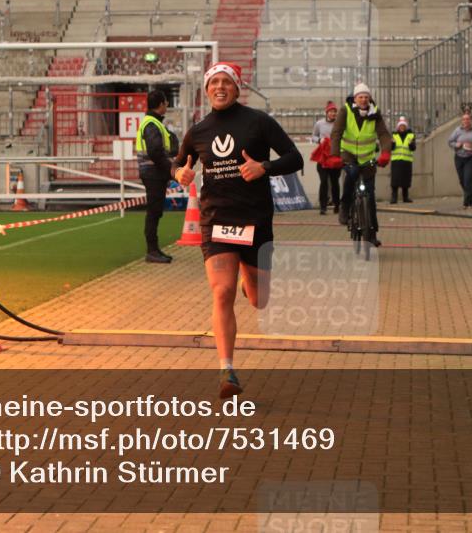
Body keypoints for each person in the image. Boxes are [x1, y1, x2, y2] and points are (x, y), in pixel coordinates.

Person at [172, 62, 302, 398]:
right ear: (206, 89)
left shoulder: (258, 121)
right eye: (213, 82)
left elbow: (294, 157)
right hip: (216, 222)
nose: (219, 87)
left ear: (237, 86)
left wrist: (264, 167)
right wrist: (178, 175)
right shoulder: (198, 131)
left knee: (259, 299)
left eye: (225, 82)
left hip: (255, 221)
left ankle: (251, 281)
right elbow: (178, 161)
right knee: (221, 292)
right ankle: (226, 369)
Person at [331, 83, 392, 247]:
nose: (364, 100)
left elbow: (384, 134)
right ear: (355, 98)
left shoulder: (374, 112)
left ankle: (371, 234)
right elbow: (336, 133)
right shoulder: (345, 111)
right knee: (351, 175)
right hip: (348, 154)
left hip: (367, 158)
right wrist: (335, 156)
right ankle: (344, 205)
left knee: (370, 196)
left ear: (369, 98)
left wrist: (385, 153)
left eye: (366, 97)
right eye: (361, 97)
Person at [136, 89, 177, 263]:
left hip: (153, 172)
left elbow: (168, 147)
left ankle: (154, 250)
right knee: (154, 212)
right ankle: (152, 251)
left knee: (155, 212)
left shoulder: (153, 123)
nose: (167, 105)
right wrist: (172, 170)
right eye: (166, 102)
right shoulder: (152, 124)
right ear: (161, 104)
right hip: (153, 173)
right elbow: (155, 152)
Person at [447, 111, 472, 209]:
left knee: (468, 179)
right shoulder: (457, 131)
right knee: (462, 180)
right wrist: (456, 145)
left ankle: (466, 203)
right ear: (462, 121)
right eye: (464, 119)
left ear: (471, 120)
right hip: (459, 158)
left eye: (468, 119)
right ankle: (470, 193)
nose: (466, 121)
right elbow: (450, 141)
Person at [311, 101, 341, 215]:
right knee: (323, 181)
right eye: (331, 111)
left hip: (335, 157)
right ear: (327, 112)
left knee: (334, 182)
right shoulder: (319, 124)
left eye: (335, 111)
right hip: (323, 158)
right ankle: (323, 207)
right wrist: (319, 140)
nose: (333, 113)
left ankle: (337, 205)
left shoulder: (339, 124)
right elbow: (313, 136)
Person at [389, 116, 416, 204]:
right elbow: (391, 148)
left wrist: (411, 144)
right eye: (401, 126)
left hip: (407, 160)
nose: (402, 128)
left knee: (406, 180)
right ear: (398, 127)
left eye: (403, 126)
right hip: (396, 160)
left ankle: (405, 197)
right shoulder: (394, 135)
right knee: (395, 180)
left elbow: (413, 148)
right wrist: (392, 143)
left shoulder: (411, 135)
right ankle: (394, 197)